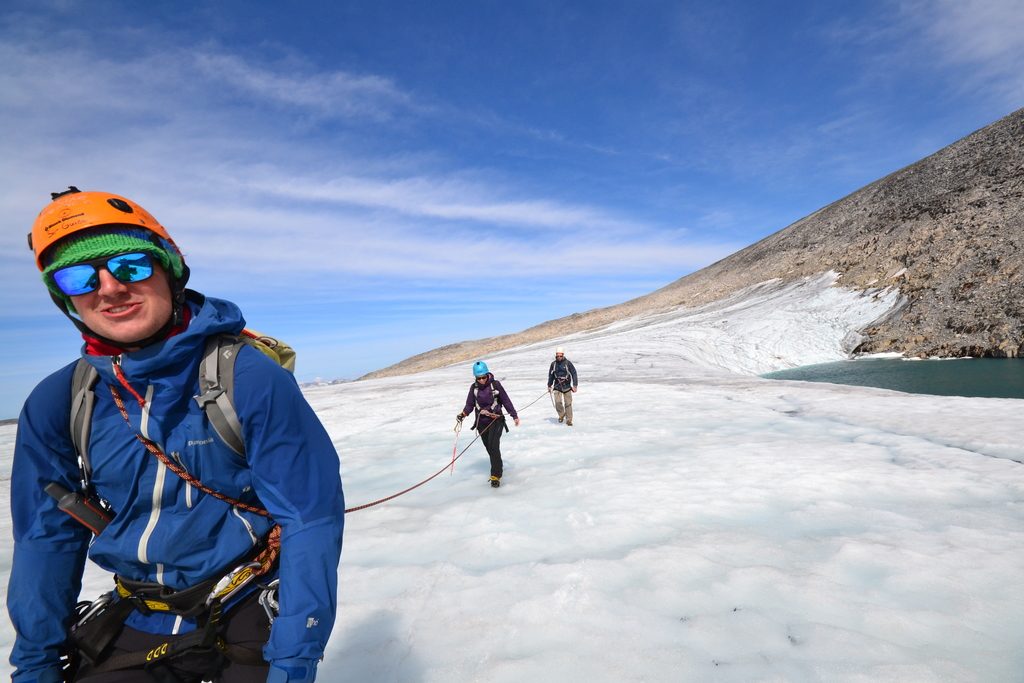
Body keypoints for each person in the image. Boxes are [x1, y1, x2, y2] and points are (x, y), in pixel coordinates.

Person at [9, 188, 344, 683]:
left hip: (245, 603)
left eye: (130, 266)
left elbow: (308, 517)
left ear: (169, 268)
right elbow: (45, 538)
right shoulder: (60, 400)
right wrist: (36, 665)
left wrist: (293, 662)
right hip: (135, 611)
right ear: (67, 299)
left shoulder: (245, 378)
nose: (109, 288)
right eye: (78, 276)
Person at [456, 361, 519, 488]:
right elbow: (469, 405)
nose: (482, 380)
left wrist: (514, 415)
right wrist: (462, 415)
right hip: (482, 423)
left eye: (483, 377)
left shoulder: (495, 385)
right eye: (478, 378)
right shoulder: (473, 388)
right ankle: (498, 465)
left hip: (497, 420)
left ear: (487, 374)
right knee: (490, 449)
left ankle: (496, 475)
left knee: (494, 446)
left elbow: (505, 400)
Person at [547, 347, 578, 426]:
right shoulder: (553, 364)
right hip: (557, 386)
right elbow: (551, 375)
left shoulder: (568, 363)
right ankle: (561, 415)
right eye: (557, 356)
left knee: (568, 403)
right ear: (556, 355)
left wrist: (575, 385)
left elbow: (574, 373)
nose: (559, 357)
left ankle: (569, 420)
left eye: (560, 356)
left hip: (567, 386)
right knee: (557, 403)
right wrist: (549, 385)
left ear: (563, 355)